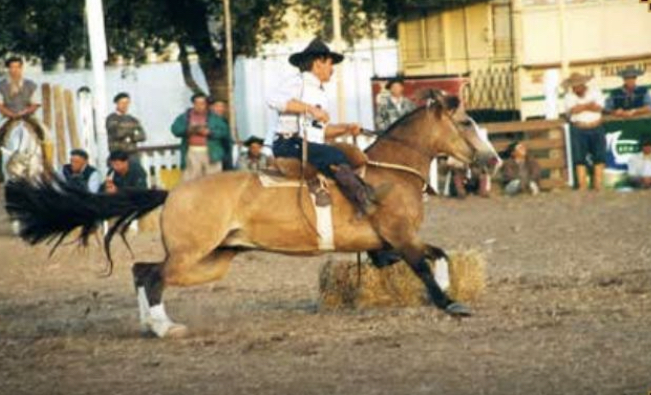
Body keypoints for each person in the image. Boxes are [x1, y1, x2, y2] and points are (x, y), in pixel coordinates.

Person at [266, 38, 389, 216]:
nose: (332, 69)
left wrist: (346, 128)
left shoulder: (320, 92)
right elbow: (273, 100)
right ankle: (363, 199)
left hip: (308, 145)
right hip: (289, 143)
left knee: (348, 153)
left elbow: (320, 132)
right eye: (330, 64)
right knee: (335, 155)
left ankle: (352, 200)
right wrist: (310, 109)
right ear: (318, 63)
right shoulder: (298, 82)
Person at [171, 93, 231, 181]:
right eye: (196, 103)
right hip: (192, 151)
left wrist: (209, 132)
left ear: (206, 104)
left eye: (202, 103)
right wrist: (188, 130)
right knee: (191, 180)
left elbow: (224, 132)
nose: (199, 106)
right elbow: (175, 129)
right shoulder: (185, 117)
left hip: (212, 152)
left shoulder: (215, 117)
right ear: (193, 104)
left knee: (213, 180)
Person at [563, 72, 606, 191]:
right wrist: (588, 106)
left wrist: (581, 107)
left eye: (577, 86)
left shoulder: (595, 92)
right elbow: (572, 110)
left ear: (583, 84)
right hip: (579, 127)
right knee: (579, 157)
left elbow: (599, 107)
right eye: (574, 86)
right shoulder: (568, 96)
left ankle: (598, 184)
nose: (576, 88)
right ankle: (583, 185)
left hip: (595, 125)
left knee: (599, 155)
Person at [105, 92, 147, 157]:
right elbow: (117, 133)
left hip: (133, 153)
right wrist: (133, 132)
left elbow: (142, 136)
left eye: (127, 103)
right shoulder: (111, 118)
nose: (125, 105)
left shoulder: (133, 119)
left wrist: (127, 133)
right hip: (118, 155)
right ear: (117, 104)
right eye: (122, 103)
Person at [209, 97, 234, 171]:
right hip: (214, 154)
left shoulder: (223, 120)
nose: (220, 108)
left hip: (226, 153)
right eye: (217, 106)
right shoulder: (209, 119)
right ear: (211, 107)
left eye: (222, 106)